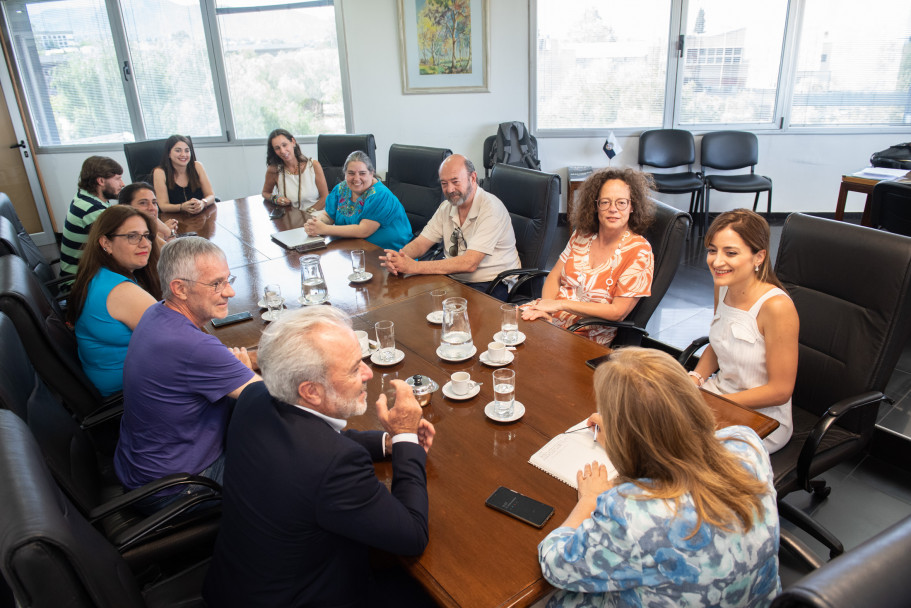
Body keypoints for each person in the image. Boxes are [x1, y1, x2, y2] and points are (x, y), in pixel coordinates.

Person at [204, 307, 435, 607]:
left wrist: (387, 444)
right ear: (310, 391)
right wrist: (405, 434)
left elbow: (313, 439)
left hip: (235, 586)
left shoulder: (255, 397)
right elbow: (412, 535)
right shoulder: (334, 465)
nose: (368, 372)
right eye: (354, 368)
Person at [538, 347, 780, 607]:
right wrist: (624, 439)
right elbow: (677, 445)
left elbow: (555, 565)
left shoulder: (629, 513)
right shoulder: (746, 443)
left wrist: (590, 499)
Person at [114, 237, 260, 511]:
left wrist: (259, 358)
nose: (228, 292)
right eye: (216, 283)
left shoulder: (157, 313)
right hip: (179, 489)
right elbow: (267, 401)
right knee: (292, 470)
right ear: (179, 288)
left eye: (228, 279)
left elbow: (214, 362)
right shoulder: (192, 346)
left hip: (142, 468)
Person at [689, 209, 798, 453]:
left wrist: (714, 403)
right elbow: (719, 344)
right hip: (719, 395)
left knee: (679, 450)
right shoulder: (724, 286)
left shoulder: (777, 307)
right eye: (712, 250)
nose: (717, 262)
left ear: (758, 257)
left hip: (760, 418)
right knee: (651, 420)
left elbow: (780, 391)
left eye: (731, 253)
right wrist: (695, 378)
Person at [521, 167, 655, 346]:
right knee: (503, 328)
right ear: (596, 205)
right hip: (550, 316)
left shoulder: (640, 251)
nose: (613, 209)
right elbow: (554, 277)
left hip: (584, 333)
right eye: (605, 202)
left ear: (632, 206)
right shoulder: (581, 235)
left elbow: (617, 312)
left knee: (521, 353)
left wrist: (559, 306)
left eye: (621, 203)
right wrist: (547, 309)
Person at [379, 154, 520, 301]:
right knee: (414, 303)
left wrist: (413, 266)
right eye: (444, 183)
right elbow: (421, 243)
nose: (450, 189)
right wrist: (399, 258)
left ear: (472, 178)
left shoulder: (491, 208)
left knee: (451, 318)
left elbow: (469, 263)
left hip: (492, 282)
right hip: (454, 278)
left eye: (455, 182)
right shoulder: (446, 207)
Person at [66, 206, 161, 396]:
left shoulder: (99, 275)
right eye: (132, 236)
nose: (145, 244)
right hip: (131, 392)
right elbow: (180, 339)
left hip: (115, 379)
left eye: (147, 235)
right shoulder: (121, 291)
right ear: (106, 243)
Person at [304, 150, 412, 251]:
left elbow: (363, 230)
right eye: (351, 173)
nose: (356, 178)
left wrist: (324, 229)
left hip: (388, 253)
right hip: (354, 248)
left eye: (362, 173)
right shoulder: (341, 189)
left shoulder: (380, 195)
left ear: (371, 173)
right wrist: (317, 223)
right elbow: (329, 215)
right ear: (345, 173)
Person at [59, 156, 125, 275]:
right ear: (101, 181)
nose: (122, 184)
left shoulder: (85, 197)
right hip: (78, 280)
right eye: (118, 179)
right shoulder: (92, 209)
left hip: (86, 270)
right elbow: (120, 247)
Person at [261, 128, 329, 211]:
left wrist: (307, 214)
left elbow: (325, 197)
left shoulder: (313, 165)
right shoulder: (274, 170)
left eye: (284, 145)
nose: (282, 151)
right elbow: (265, 193)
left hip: (315, 215)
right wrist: (275, 198)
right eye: (277, 148)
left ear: (293, 142)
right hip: (290, 218)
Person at [152, 135, 216, 214]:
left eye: (187, 150)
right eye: (178, 150)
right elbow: (163, 206)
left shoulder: (197, 166)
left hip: (200, 216)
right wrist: (182, 207)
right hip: (175, 219)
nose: (183, 155)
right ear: (168, 153)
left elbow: (211, 196)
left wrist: (203, 203)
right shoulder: (160, 172)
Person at [118, 181, 178, 245]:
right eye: (143, 203)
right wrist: (166, 232)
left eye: (154, 202)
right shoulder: (123, 236)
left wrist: (165, 232)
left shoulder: (150, 231)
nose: (152, 208)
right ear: (126, 207)